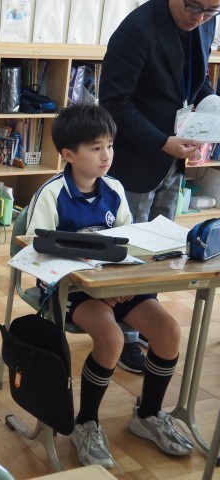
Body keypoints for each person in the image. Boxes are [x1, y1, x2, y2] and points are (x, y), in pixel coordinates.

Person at [26, 104, 194, 469]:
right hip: (73, 291)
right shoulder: (52, 194)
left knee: (168, 330)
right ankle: (86, 422)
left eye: (110, 146)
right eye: (96, 148)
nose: (107, 156)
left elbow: (128, 244)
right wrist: (96, 284)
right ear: (69, 154)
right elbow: (36, 251)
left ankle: (148, 414)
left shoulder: (115, 189)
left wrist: (123, 282)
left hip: (118, 285)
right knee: (112, 338)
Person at [100, 0, 218, 372]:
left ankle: (145, 320)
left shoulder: (206, 22)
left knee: (160, 251)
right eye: (194, 6)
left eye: (211, 10)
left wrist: (210, 108)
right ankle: (124, 333)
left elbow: (195, 80)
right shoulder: (136, 29)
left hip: (174, 156)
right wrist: (161, 141)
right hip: (138, 157)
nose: (200, 17)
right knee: (130, 251)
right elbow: (114, 102)